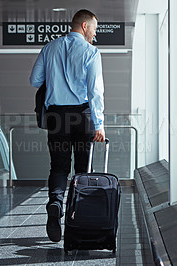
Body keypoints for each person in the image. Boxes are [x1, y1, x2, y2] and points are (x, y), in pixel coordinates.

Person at [29, 9, 106, 242]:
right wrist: (99, 124)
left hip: (56, 116)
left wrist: (56, 78)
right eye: (94, 28)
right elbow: (95, 91)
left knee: (59, 166)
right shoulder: (91, 52)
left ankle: (55, 203)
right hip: (82, 116)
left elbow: (34, 80)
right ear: (84, 26)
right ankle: (77, 217)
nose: (95, 33)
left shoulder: (49, 47)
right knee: (83, 169)